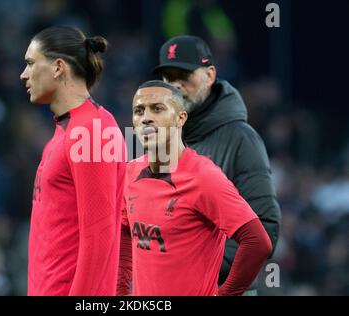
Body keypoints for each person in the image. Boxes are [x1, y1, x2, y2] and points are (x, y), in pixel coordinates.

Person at [117, 80, 272, 296]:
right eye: (139, 110)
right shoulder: (129, 173)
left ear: (181, 118)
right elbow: (125, 232)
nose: (146, 118)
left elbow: (257, 242)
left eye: (157, 108)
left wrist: (226, 294)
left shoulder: (204, 177)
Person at [153, 35, 281, 295]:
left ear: (210, 75)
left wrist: (204, 270)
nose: (175, 84)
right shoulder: (153, 139)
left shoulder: (241, 139)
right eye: (168, 76)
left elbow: (265, 225)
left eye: (184, 74)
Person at [20, 26, 126, 296]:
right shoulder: (67, 130)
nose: (24, 74)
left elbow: (100, 236)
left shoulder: (92, 129)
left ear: (58, 67)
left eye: (31, 63)